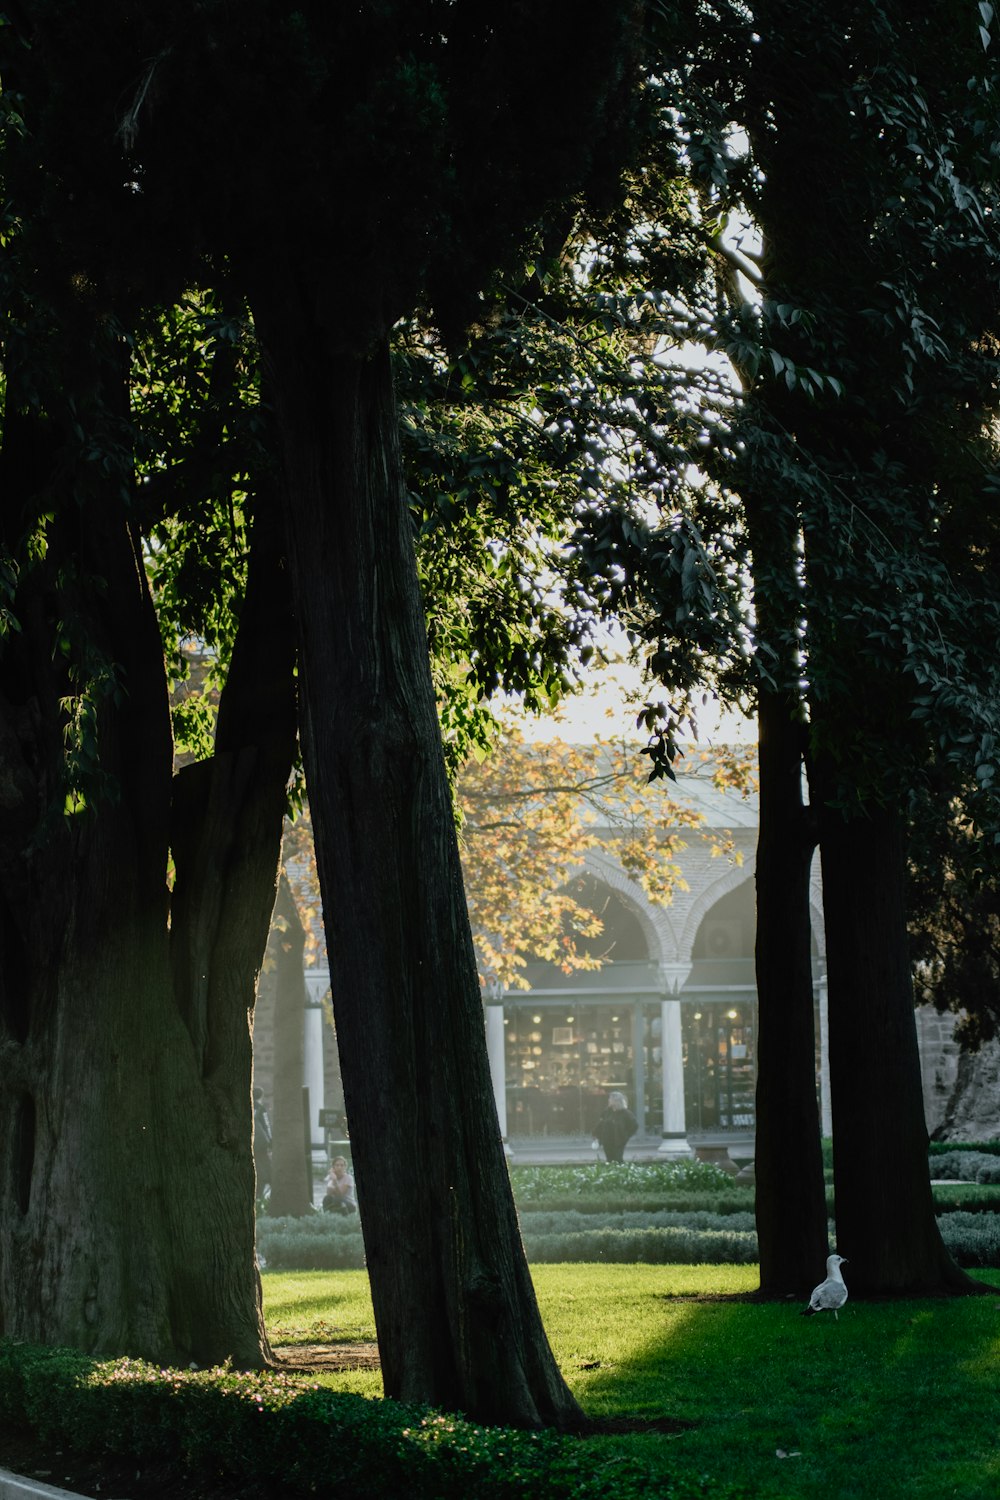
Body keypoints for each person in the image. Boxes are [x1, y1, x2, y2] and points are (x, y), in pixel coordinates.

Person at [594, 1090, 637, 1163]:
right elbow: (601, 1124)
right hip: (607, 1141)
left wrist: (626, 1135)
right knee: (609, 1159)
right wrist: (596, 1134)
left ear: (616, 1101)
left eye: (610, 1099)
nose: (609, 1100)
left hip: (619, 1141)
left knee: (618, 1159)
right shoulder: (607, 1111)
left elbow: (634, 1125)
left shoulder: (625, 1113)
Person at [252, 1086, 272, 1194]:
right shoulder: (261, 1108)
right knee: (265, 1166)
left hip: (251, 1144)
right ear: (261, 1096)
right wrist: (271, 1141)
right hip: (260, 1143)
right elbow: (267, 1125)